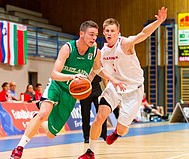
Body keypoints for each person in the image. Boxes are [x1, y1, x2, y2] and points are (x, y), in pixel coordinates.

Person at [9, 20, 125, 159]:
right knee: (43, 113)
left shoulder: (95, 52)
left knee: (51, 134)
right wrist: (72, 76)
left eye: (96, 35)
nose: (94, 38)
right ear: (81, 34)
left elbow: (98, 69)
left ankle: (39, 120)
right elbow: (54, 74)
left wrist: (113, 80)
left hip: (71, 93)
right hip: (57, 85)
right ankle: (19, 148)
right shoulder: (68, 48)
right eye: (91, 34)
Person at [79, 7, 167, 159]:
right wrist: (86, 81)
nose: (109, 33)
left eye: (112, 31)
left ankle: (117, 133)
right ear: (104, 33)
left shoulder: (125, 44)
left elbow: (143, 34)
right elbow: (95, 70)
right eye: (106, 31)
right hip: (114, 88)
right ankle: (90, 152)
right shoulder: (103, 52)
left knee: (122, 129)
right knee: (99, 118)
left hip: (133, 90)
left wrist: (158, 21)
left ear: (118, 32)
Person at [80, 74, 107, 143]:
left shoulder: (98, 63)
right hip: (84, 89)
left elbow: (104, 77)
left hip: (97, 89)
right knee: (85, 115)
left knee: (102, 112)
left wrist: (107, 89)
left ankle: (104, 134)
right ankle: (86, 136)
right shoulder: (82, 64)